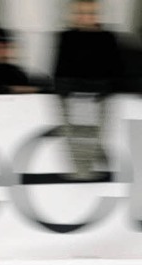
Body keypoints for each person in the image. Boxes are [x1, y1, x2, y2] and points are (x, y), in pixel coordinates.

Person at [52, 0, 124, 180]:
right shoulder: (66, 37)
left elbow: (114, 66)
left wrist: (109, 87)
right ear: (73, 15)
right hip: (73, 91)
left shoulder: (107, 37)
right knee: (75, 131)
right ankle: (84, 167)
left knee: (95, 130)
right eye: (81, 13)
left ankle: (91, 159)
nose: (85, 18)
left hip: (97, 91)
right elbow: (60, 65)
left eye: (90, 13)